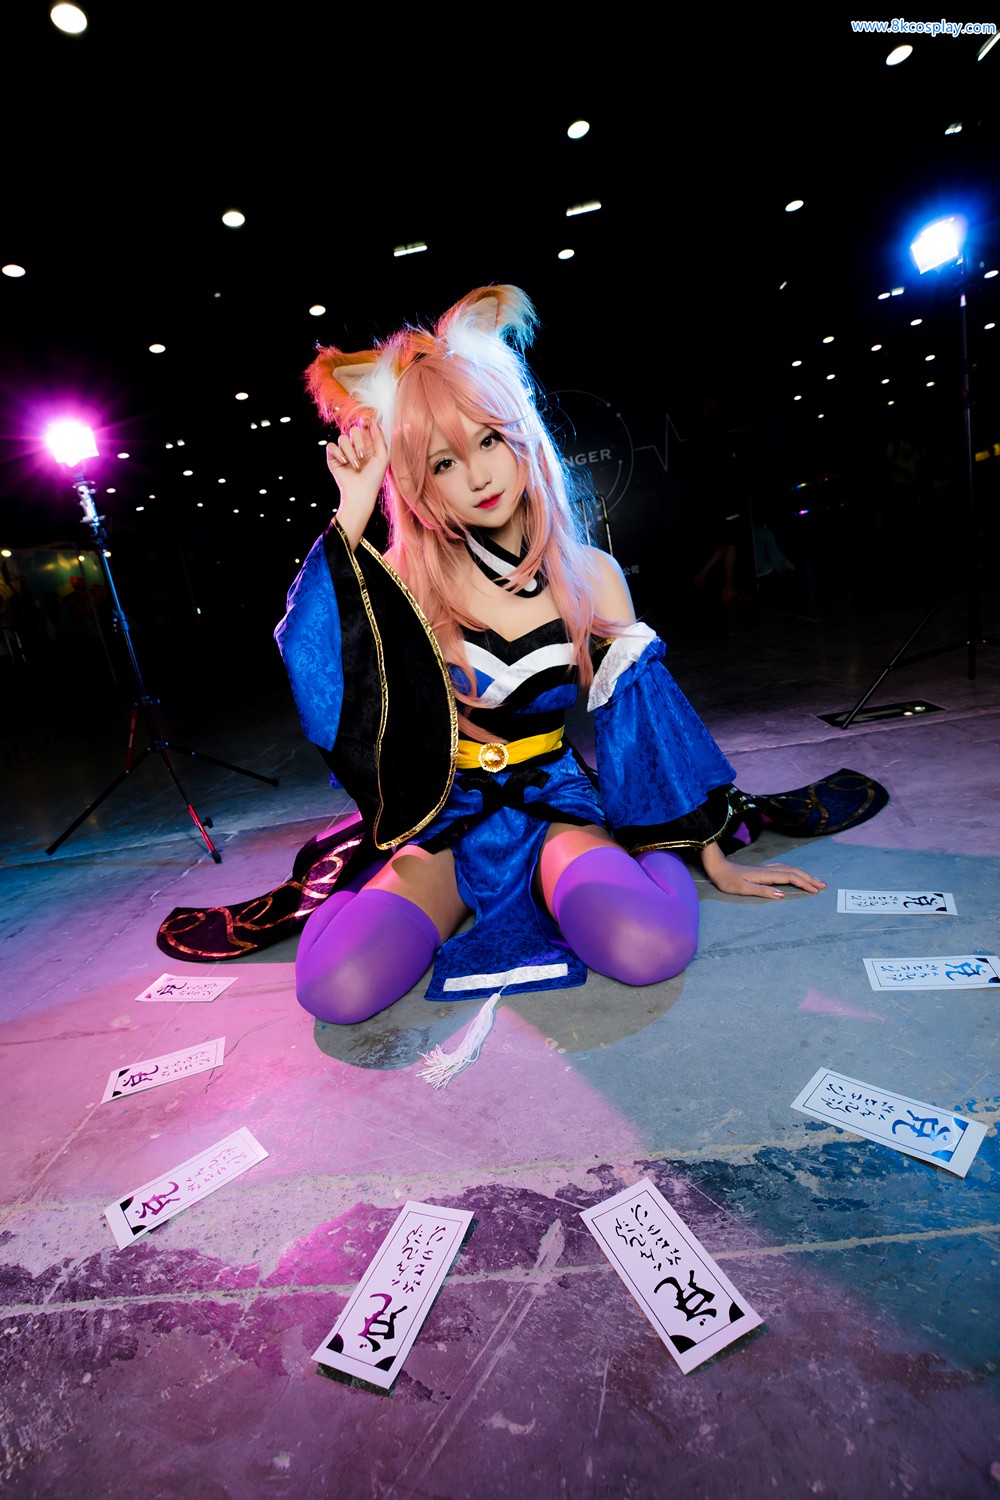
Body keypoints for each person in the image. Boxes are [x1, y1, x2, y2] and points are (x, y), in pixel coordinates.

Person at [276, 286, 824, 1026]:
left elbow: (645, 725)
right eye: (443, 462)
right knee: (335, 990)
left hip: (556, 806)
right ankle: (355, 891)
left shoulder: (590, 576)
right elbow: (318, 670)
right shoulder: (403, 582)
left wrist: (701, 847)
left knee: (649, 948)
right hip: (446, 817)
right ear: (418, 483)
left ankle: (642, 859)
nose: (477, 477)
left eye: (489, 441)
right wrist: (355, 503)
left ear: (521, 435)